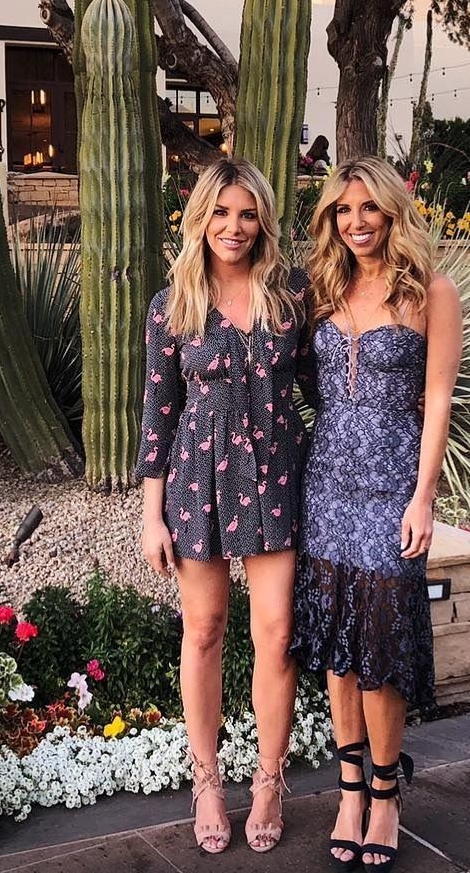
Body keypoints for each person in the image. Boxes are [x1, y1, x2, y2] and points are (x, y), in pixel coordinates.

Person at [289, 156, 462, 870]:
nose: (356, 222)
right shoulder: (322, 288)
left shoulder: (431, 291)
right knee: (338, 644)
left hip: (393, 487)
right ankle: (350, 792)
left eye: (369, 208)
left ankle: (386, 796)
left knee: (382, 649)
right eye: (343, 209)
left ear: (393, 212)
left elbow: (439, 400)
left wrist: (424, 496)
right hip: (327, 482)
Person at [136, 158, 312, 855]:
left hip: (275, 474)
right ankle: (206, 781)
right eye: (220, 212)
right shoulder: (171, 304)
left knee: (276, 634)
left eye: (246, 214)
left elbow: (325, 379)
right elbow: (158, 409)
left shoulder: (291, 295)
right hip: (197, 481)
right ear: (200, 218)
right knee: (204, 628)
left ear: (262, 221)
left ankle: (269, 779)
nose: (233, 227)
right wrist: (151, 514)